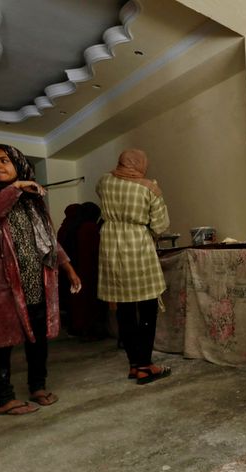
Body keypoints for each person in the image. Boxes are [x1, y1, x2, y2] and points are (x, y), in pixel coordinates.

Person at [0, 143, 81, 415]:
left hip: (36, 282)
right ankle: (4, 399)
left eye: (4, 160)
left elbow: (48, 240)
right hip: (0, 285)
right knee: (0, 341)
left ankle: (37, 386)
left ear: (18, 164)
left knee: (38, 338)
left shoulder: (33, 202)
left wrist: (68, 268)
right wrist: (17, 187)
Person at [97, 149, 171, 384]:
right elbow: (161, 226)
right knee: (147, 306)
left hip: (110, 246)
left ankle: (133, 364)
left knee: (124, 309)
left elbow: (100, 190)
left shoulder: (104, 181)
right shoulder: (150, 188)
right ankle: (146, 365)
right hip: (137, 245)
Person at [67, 202, 106, 339]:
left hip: (77, 268)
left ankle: (81, 328)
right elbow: (95, 250)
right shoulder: (89, 228)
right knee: (90, 303)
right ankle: (90, 331)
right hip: (89, 269)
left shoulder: (73, 226)